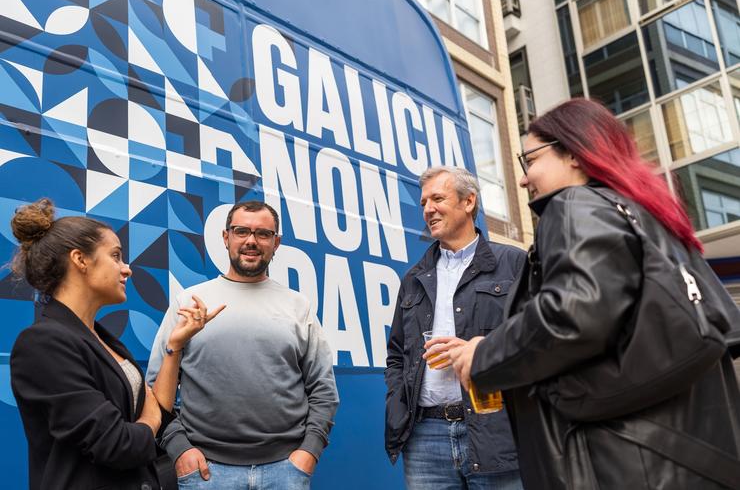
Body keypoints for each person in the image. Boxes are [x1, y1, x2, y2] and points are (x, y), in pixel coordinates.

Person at [449, 98, 740, 489]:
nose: (523, 178)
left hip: (616, 464)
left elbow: (573, 314)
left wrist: (485, 354)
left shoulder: (573, 205)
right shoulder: (654, 219)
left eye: (530, 160)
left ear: (573, 153)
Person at [9, 198, 223, 490]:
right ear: (80, 259)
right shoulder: (43, 343)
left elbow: (155, 409)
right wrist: (149, 420)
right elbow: (118, 445)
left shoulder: (102, 338)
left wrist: (175, 347)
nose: (127, 269)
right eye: (116, 256)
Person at [146, 200, 338, 490]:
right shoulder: (189, 302)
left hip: (285, 470)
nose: (251, 241)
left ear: (276, 243)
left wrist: (308, 451)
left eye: (263, 234)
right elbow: (154, 388)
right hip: (206, 472)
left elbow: (323, 390)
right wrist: (179, 449)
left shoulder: (298, 306)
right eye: (241, 231)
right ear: (226, 237)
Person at [384, 166, 526, 489]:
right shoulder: (413, 278)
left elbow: (533, 342)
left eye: (437, 198)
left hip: (495, 430)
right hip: (425, 439)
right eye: (423, 203)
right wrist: (398, 404)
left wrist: (479, 350)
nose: (427, 209)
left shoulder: (514, 264)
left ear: (468, 202)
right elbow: (396, 355)